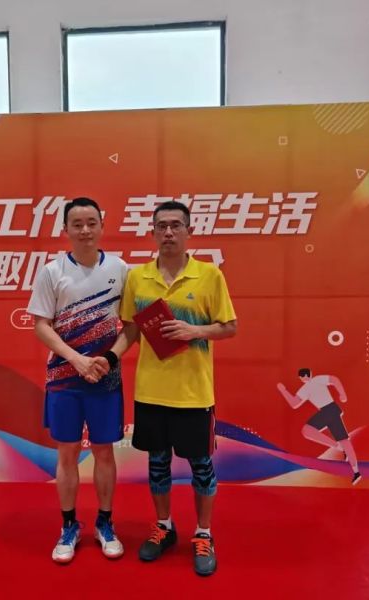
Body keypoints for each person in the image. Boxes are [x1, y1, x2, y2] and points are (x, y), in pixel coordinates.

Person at [96, 200, 237, 577]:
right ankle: (164, 527)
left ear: (189, 231)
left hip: (194, 394)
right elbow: (130, 329)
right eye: (162, 226)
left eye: (176, 225)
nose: (169, 232)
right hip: (151, 392)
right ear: (153, 232)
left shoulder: (209, 275)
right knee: (157, 463)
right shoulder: (138, 278)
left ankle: (203, 534)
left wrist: (195, 330)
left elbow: (229, 327)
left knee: (201, 466)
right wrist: (109, 358)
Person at [27, 197, 128, 564]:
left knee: (104, 452)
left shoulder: (120, 269)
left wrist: (108, 359)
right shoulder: (52, 272)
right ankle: (69, 526)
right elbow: (41, 325)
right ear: (66, 229)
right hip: (64, 380)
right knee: (67, 452)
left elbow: (132, 326)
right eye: (77, 224)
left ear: (101, 225)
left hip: (104, 378)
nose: (85, 230)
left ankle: (105, 524)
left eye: (91, 223)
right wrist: (76, 359)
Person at [276, 369, 362, 485]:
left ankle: (338, 447)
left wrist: (283, 390)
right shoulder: (316, 380)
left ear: (303, 377)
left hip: (328, 410)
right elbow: (334, 379)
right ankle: (356, 471)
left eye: (301, 377)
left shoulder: (310, 385)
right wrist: (342, 394)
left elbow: (294, 403)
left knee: (307, 430)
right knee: (344, 440)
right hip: (332, 410)